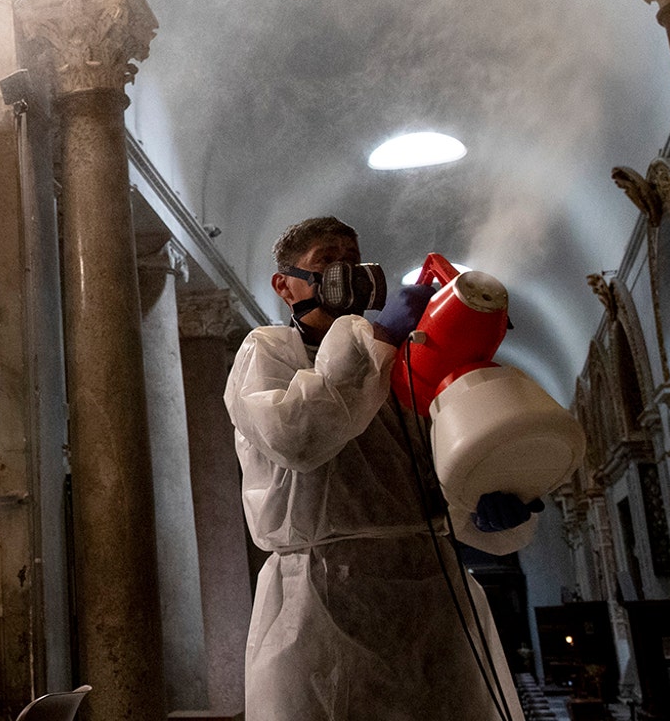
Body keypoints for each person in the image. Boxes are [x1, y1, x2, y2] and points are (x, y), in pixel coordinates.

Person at [224, 216, 538, 720]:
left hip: (431, 593)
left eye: (353, 258)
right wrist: (374, 335)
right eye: (327, 260)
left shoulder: (402, 365)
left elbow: (442, 472)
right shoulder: (269, 352)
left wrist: (489, 505)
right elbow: (298, 437)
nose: (347, 271)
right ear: (284, 284)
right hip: (324, 601)